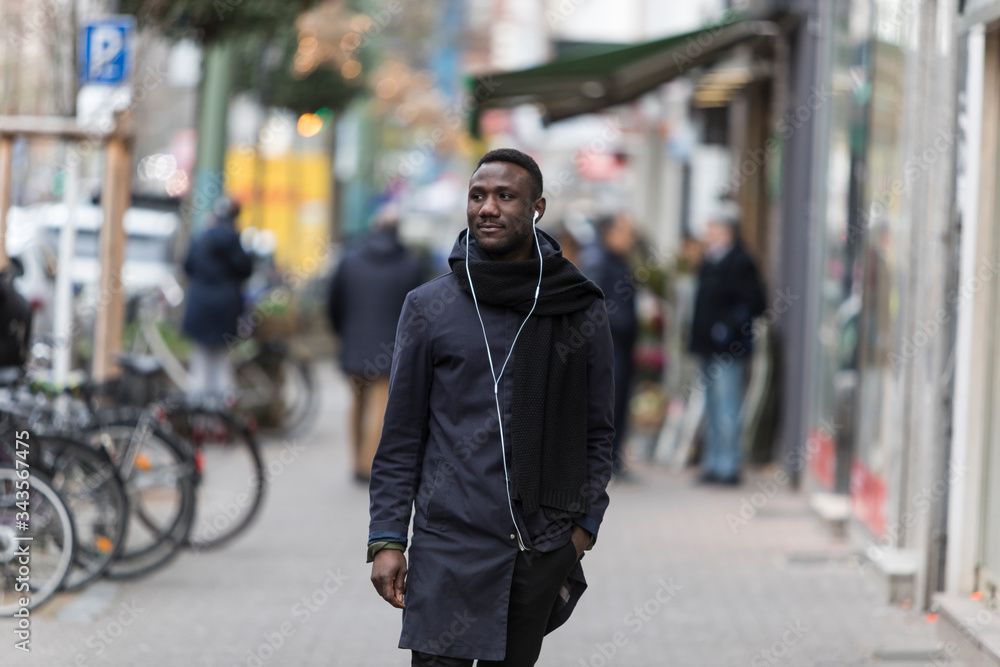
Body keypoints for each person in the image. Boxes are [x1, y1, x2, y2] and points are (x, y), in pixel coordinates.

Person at [368, 148, 615, 666]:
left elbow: (598, 432)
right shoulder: (429, 306)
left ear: (537, 208)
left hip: (534, 549)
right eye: (478, 196)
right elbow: (401, 438)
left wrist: (580, 532)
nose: (488, 208)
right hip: (446, 548)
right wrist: (387, 538)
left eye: (506, 196)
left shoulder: (577, 306)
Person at [327, 204, 423, 482]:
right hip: (391, 350)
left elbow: (334, 302)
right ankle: (369, 467)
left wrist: (342, 332)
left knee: (355, 404)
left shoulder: (350, 258)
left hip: (355, 346)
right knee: (379, 409)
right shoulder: (409, 263)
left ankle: (356, 461)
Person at [689, 207, 766, 485]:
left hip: (729, 348)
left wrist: (729, 327)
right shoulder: (709, 260)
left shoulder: (741, 261)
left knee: (727, 406)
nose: (709, 234)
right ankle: (712, 463)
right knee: (710, 406)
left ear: (727, 230)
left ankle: (729, 465)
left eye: (714, 228)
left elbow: (756, 303)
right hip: (707, 346)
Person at [582, 213, 638, 476]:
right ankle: (604, 460)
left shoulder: (618, 260)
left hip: (622, 344)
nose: (631, 238)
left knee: (619, 401)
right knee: (608, 403)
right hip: (610, 345)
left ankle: (613, 458)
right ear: (611, 233)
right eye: (626, 232)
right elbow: (594, 305)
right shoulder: (601, 260)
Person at [182, 196, 252, 399]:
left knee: (200, 366)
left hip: (200, 308)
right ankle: (221, 420)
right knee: (222, 364)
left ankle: (199, 422)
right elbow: (246, 270)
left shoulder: (201, 238)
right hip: (226, 310)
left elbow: (187, 266)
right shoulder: (234, 241)